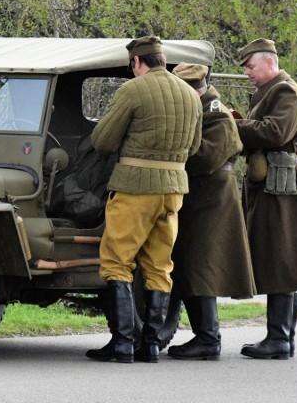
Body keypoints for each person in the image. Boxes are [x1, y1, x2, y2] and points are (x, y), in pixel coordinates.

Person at [85, 36, 203, 363]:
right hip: (173, 191)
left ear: (137, 62)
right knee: (159, 266)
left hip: (136, 189)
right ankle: (151, 345)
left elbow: (103, 140)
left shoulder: (132, 91)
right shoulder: (190, 95)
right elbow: (193, 148)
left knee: (117, 261)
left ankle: (122, 343)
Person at [235, 39, 297, 360]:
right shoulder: (273, 91)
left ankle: (279, 338)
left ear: (269, 63)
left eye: (250, 66)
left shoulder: (286, 92)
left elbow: (274, 133)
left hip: (282, 182)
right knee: (281, 253)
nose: (247, 73)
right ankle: (281, 338)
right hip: (277, 180)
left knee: (282, 254)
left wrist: (235, 126)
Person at [167, 63, 256, 361]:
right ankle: (204, 335)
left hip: (213, 200)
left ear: (194, 90)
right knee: (191, 264)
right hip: (200, 199)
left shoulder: (216, 114)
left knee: (202, 265)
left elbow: (205, 157)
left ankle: (208, 338)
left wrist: (172, 148)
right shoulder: (204, 111)